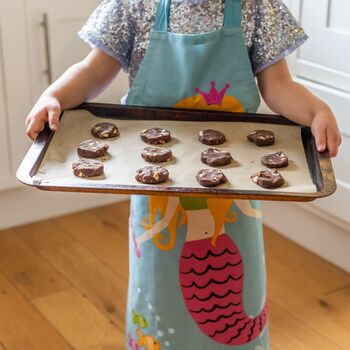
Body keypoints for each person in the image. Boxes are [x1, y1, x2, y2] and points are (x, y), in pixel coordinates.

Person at [25, 0, 341, 349]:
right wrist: (54, 95)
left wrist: (316, 111)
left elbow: (279, 85)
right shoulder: (133, 6)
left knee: (235, 291)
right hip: (156, 194)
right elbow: (92, 70)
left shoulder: (256, 7)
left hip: (234, 193)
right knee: (159, 296)